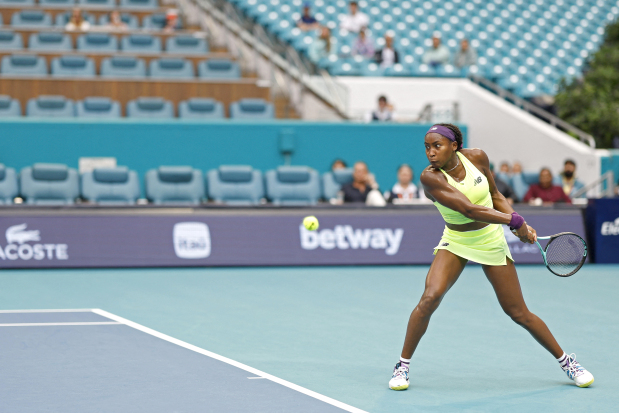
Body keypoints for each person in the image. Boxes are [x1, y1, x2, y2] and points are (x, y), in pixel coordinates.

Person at [388, 123, 593, 391]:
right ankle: (402, 366)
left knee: (518, 312)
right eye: (427, 147)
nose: (431, 152)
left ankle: (567, 362)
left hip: (490, 239)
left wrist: (519, 222)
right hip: (457, 240)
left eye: (437, 146)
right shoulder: (430, 178)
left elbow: (495, 195)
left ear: (454, 146)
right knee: (429, 298)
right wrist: (514, 221)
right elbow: (469, 209)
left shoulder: (477, 157)